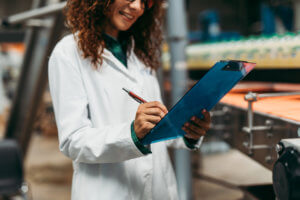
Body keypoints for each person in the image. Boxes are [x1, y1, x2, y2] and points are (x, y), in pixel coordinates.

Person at [48, 0, 211, 199]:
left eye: (145, 2)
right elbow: (72, 140)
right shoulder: (68, 53)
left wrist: (188, 131)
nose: (137, 7)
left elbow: (159, 128)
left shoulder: (140, 55)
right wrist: (132, 134)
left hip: (159, 189)